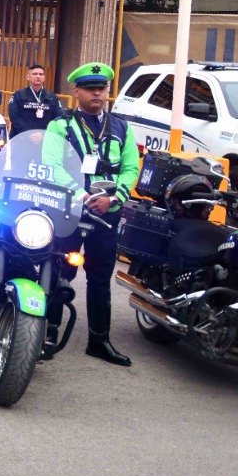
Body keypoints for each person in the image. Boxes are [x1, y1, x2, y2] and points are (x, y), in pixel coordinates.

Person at [41, 61, 140, 367]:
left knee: (100, 276)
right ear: (77, 92)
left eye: (102, 88)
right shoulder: (60, 125)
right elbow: (51, 164)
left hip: (107, 213)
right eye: (90, 88)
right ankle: (47, 333)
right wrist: (83, 195)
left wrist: (115, 199)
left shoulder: (121, 127)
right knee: (58, 270)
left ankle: (99, 340)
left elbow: (130, 167)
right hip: (69, 209)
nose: (97, 93)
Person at [7, 64, 62, 134]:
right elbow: (14, 117)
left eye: (41, 74)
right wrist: (29, 133)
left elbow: (58, 118)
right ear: (28, 77)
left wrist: (44, 134)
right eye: (34, 74)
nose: (38, 76)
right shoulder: (18, 95)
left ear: (44, 78)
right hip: (21, 136)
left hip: (45, 137)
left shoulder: (52, 97)